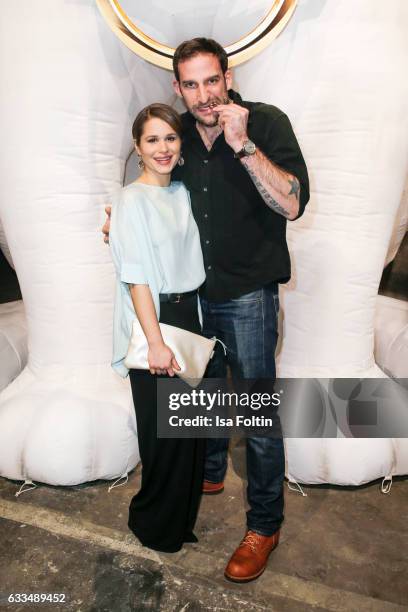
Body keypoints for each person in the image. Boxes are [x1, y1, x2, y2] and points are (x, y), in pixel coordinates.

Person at [103, 38, 309, 582]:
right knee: (206, 393)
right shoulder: (180, 138)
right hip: (192, 301)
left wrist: (243, 144)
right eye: (190, 84)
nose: (204, 95)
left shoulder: (264, 123)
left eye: (211, 80)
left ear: (228, 74)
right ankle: (212, 471)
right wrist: (121, 226)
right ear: (177, 87)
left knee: (257, 414)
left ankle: (264, 524)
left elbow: (292, 202)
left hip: (247, 296)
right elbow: (159, 206)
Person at [109, 103, 206, 553]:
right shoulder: (131, 199)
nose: (163, 148)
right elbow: (137, 277)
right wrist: (155, 343)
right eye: (152, 140)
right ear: (137, 147)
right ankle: (152, 524)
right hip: (156, 321)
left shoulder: (184, 192)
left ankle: (179, 522)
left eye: (170, 137)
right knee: (163, 438)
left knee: (187, 435)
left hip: (190, 319)